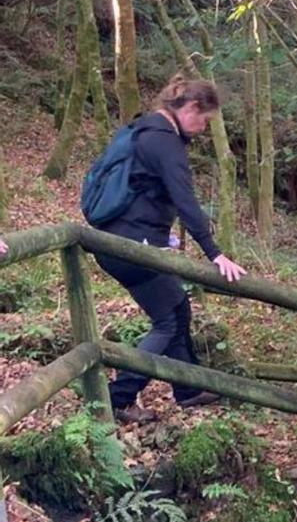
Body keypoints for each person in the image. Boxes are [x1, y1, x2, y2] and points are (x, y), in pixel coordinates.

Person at [91, 75, 246, 424]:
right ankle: (119, 399)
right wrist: (214, 252)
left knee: (178, 310)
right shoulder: (165, 143)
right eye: (204, 121)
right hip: (131, 245)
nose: (204, 129)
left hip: (117, 240)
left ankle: (188, 388)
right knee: (168, 321)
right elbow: (186, 201)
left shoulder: (142, 130)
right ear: (191, 108)